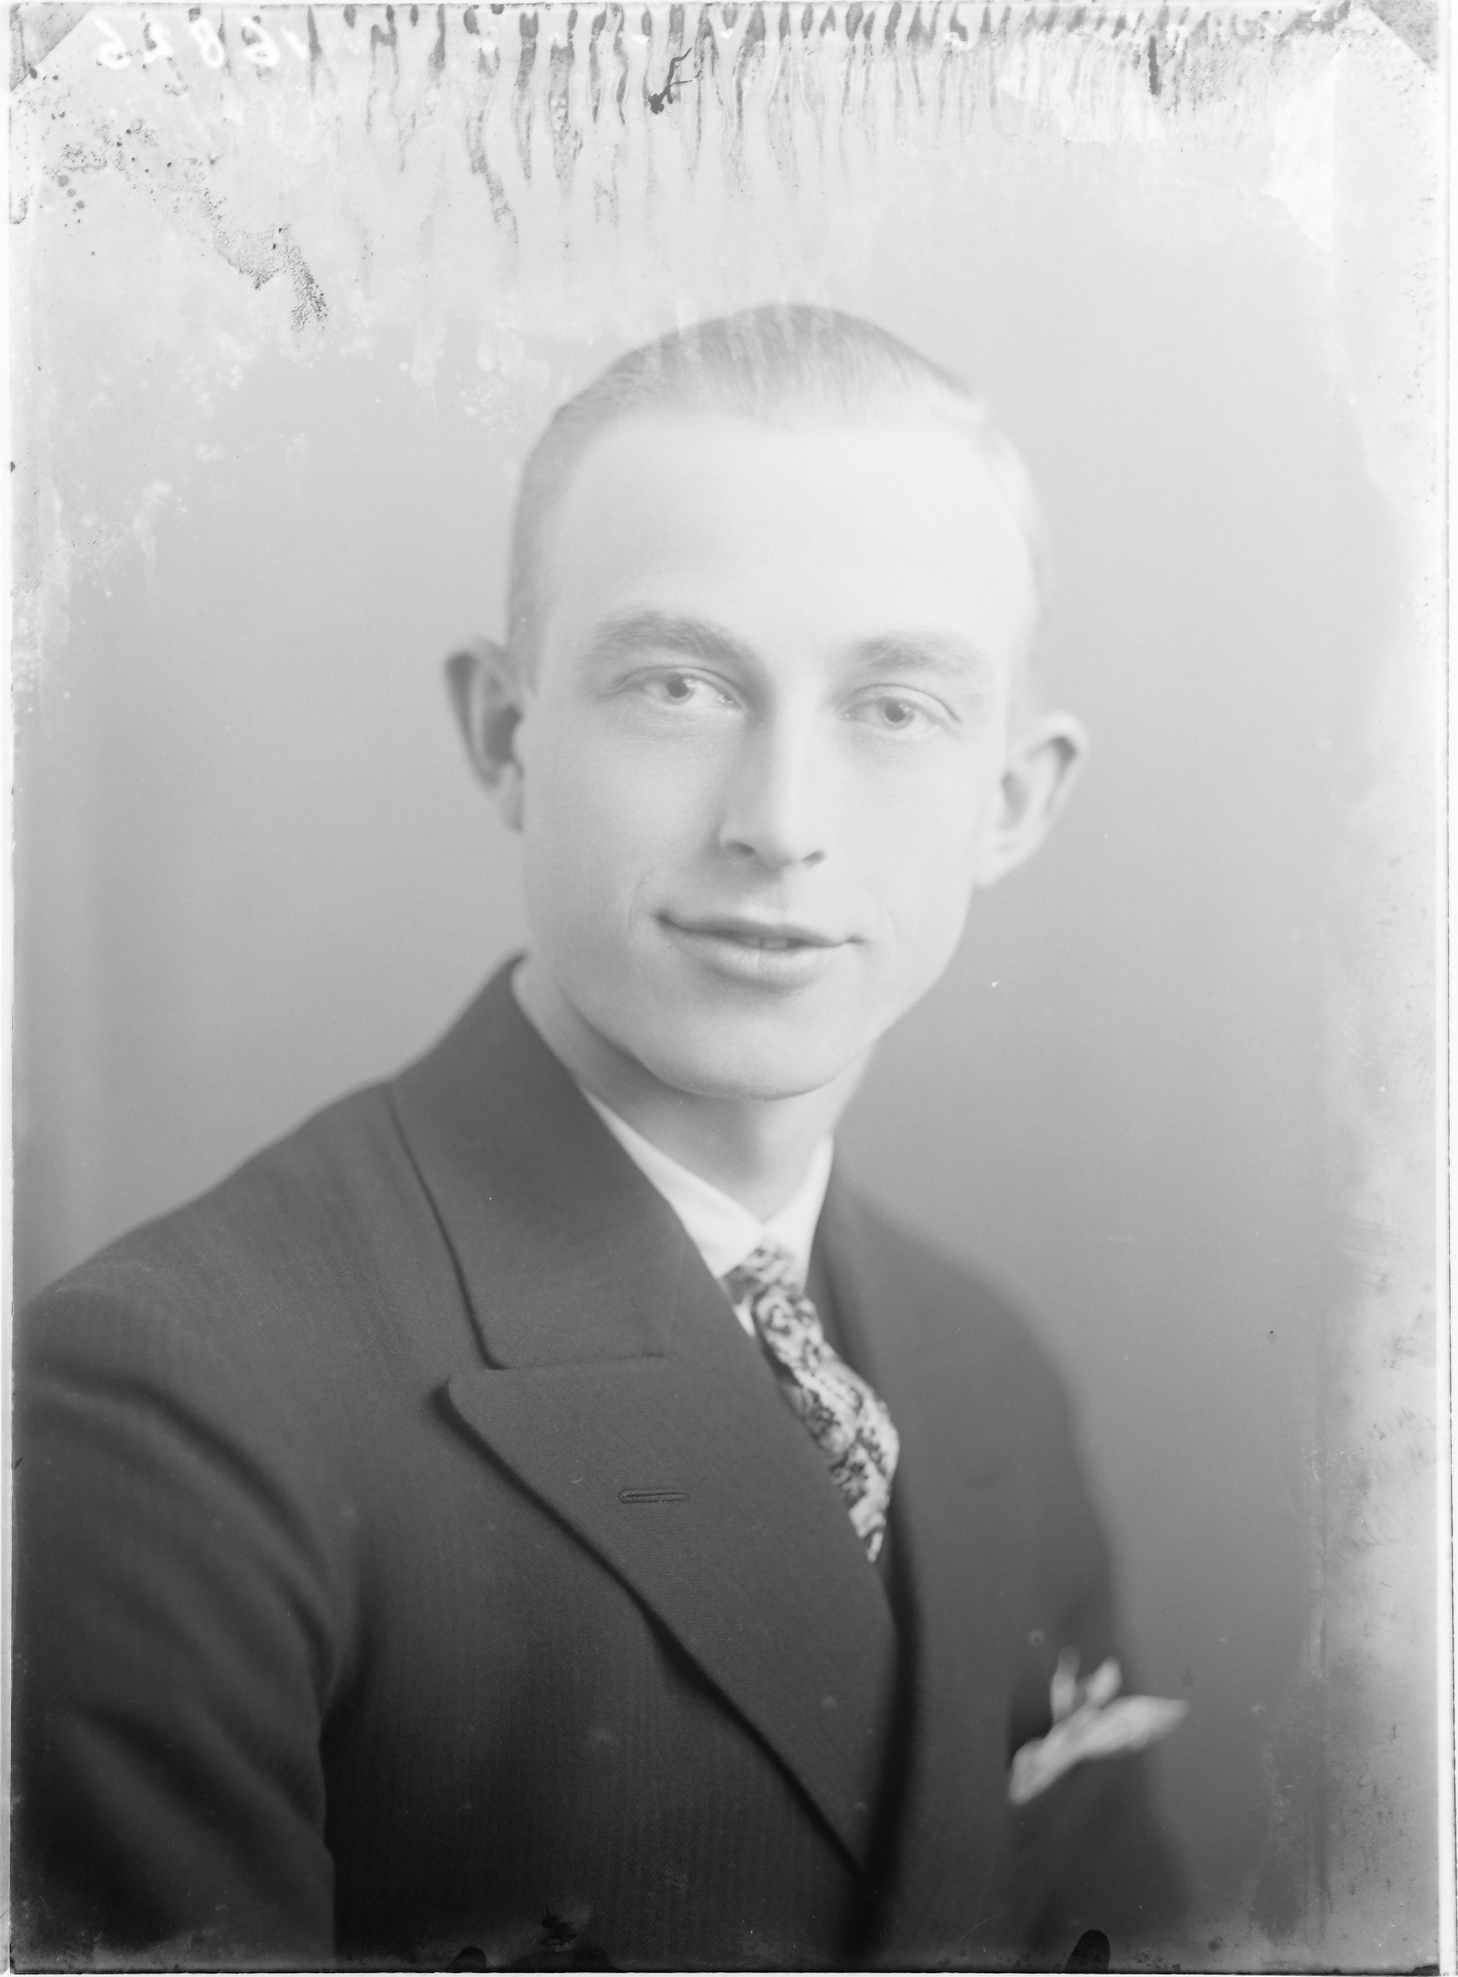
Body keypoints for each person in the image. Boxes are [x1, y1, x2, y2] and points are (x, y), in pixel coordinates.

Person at [15, 305, 1184, 1970]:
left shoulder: (983, 1369)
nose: (779, 823)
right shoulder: (171, 1404)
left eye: (896, 705)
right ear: (506, 734)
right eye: (677, 686)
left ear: (1012, 800)